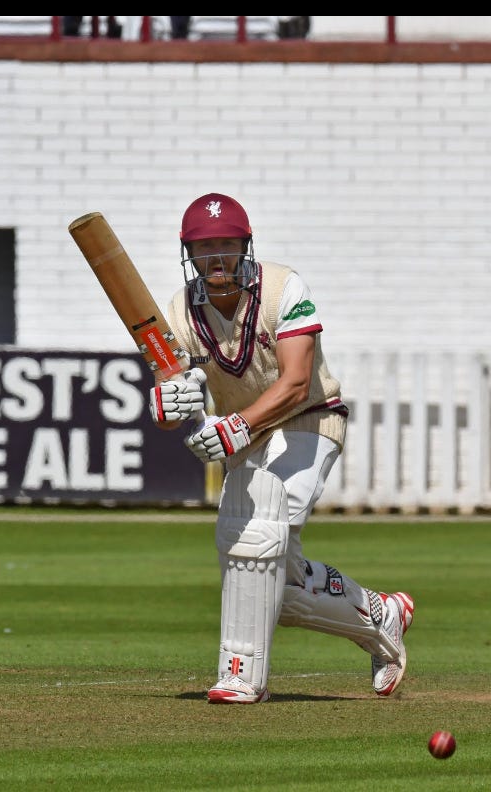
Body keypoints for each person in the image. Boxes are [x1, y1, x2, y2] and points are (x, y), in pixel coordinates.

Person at [147, 192, 414, 703]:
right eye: (205, 248)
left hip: (308, 419)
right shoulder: (180, 311)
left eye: (227, 245)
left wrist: (236, 427)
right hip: (248, 436)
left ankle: (241, 676)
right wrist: (165, 405)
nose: (217, 257)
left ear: (245, 246)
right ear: (189, 253)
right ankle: (380, 614)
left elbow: (295, 382)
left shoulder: (282, 289)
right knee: (270, 579)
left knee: (257, 538)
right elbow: (172, 393)